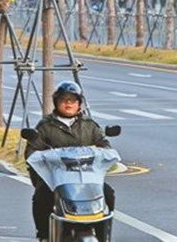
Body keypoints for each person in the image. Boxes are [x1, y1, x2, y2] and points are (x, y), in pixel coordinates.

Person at [24, 81, 115, 242]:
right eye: (64, 99)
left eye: (72, 100)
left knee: (108, 193)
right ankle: (44, 235)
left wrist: (101, 153)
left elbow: (105, 146)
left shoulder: (89, 125)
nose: (68, 103)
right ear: (56, 102)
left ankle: (103, 236)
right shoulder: (46, 126)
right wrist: (46, 157)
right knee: (41, 196)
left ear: (79, 103)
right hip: (56, 179)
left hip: (86, 178)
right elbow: (32, 151)